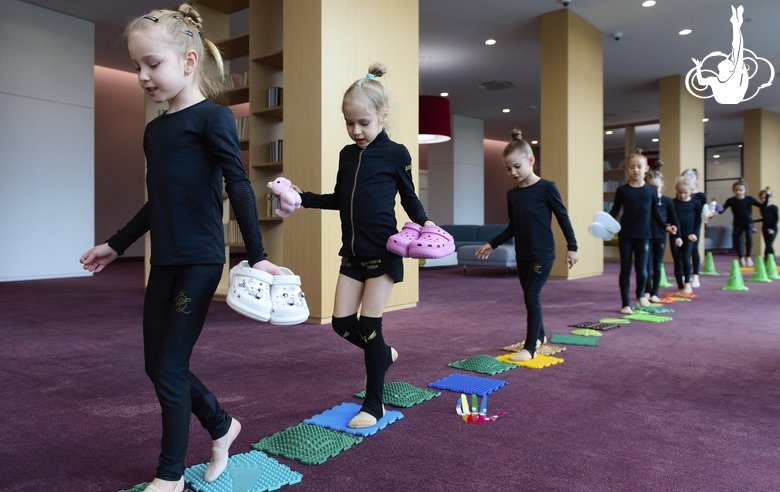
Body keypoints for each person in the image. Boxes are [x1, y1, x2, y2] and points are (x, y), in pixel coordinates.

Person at [79, 6, 283, 491]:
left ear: (189, 61)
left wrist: (254, 256)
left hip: (200, 259)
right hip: (165, 258)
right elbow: (158, 202)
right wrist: (116, 243)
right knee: (158, 364)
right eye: (137, 68)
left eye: (153, 63)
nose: (143, 76)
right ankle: (220, 425)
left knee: (170, 366)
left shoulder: (212, 118)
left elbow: (238, 186)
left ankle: (169, 476)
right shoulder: (154, 130)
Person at [292, 64, 433, 429]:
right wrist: (303, 198)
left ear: (382, 116)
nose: (356, 131)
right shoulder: (346, 155)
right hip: (352, 254)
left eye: (364, 123)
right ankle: (382, 354)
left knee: (370, 324)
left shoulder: (396, 153)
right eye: (349, 123)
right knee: (341, 324)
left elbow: (410, 199)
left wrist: (426, 223)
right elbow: (341, 198)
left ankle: (374, 404)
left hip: (384, 253)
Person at [475, 129, 578, 361]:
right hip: (523, 253)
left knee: (532, 296)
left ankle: (530, 348)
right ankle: (540, 335)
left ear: (531, 160)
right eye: (508, 168)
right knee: (529, 296)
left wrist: (573, 246)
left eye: (517, 166)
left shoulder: (547, 188)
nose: (513, 172)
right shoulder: (513, 195)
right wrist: (493, 244)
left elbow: (563, 217)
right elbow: (513, 226)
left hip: (543, 253)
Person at [609, 150, 676, 314]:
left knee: (643, 269)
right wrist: (603, 224)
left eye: (639, 167)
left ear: (646, 168)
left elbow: (655, 212)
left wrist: (665, 226)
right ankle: (625, 303)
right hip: (626, 235)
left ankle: (640, 295)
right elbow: (615, 211)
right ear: (627, 169)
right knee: (625, 269)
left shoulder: (651, 190)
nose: (635, 170)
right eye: (632, 167)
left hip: (645, 235)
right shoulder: (623, 190)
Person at [644, 165, 678, 302]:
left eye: (656, 187)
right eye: (650, 186)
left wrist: (678, 235)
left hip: (660, 237)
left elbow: (674, 219)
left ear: (662, 184)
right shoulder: (645, 200)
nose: (653, 190)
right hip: (645, 236)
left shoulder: (667, 201)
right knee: (646, 266)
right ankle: (646, 290)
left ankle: (655, 292)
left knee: (657, 265)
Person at [721, 179, 767, 267]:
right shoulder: (731, 200)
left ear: (745, 190)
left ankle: (748, 257)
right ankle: (741, 257)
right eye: (736, 190)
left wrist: (767, 197)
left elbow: (762, 206)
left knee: (749, 238)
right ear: (733, 191)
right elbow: (722, 210)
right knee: (738, 241)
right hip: (737, 223)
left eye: (740, 190)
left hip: (748, 222)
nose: (738, 192)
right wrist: (715, 207)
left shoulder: (749, 199)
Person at [671, 177, 702, 295]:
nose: (682, 195)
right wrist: (677, 235)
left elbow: (698, 221)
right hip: (676, 235)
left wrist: (695, 233)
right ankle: (680, 285)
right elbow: (673, 220)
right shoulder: (673, 203)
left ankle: (688, 283)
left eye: (685, 193)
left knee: (685, 258)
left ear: (691, 190)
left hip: (690, 236)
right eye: (680, 193)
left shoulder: (696, 203)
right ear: (676, 190)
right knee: (677, 260)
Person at [681, 168, 709, 287]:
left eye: (690, 176)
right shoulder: (681, 193)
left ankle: (695, 274)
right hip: (682, 226)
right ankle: (683, 273)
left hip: (695, 226)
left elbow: (704, 212)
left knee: (694, 249)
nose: (687, 178)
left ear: (696, 179)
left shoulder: (701, 196)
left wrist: (707, 217)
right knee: (682, 251)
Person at [757, 188, 777, 257]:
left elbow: (776, 219)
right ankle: (766, 261)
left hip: (773, 228)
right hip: (765, 228)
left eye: (765, 198)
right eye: (761, 198)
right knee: (766, 245)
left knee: (769, 244)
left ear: (770, 197)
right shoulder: (762, 208)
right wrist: (752, 221)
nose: (763, 200)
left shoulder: (774, 207)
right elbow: (765, 218)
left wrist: (773, 229)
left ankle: (772, 261)